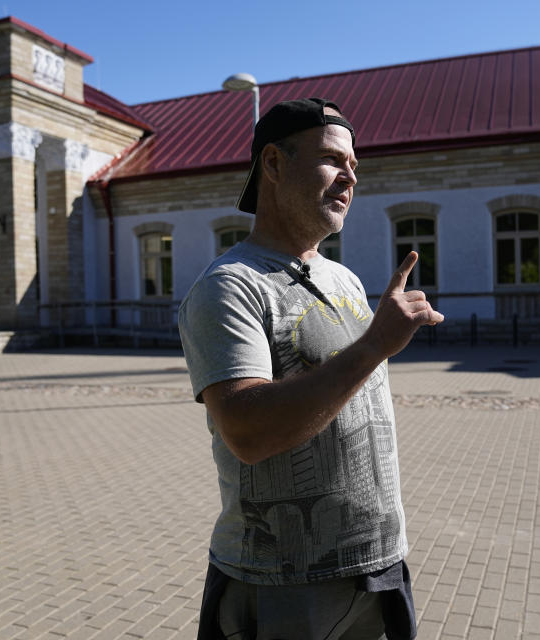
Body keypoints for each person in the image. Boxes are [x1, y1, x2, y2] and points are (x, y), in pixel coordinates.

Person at [178, 97, 444, 640]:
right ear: (273, 165)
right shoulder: (231, 286)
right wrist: (374, 346)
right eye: (331, 160)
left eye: (354, 166)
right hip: (283, 585)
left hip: (379, 565)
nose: (349, 177)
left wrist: (377, 341)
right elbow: (247, 431)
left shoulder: (344, 280)